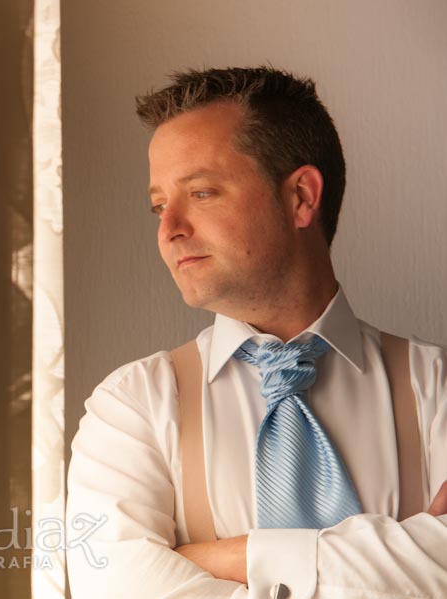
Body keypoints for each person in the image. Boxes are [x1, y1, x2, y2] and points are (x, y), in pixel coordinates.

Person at [65, 66, 447, 599]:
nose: (168, 228)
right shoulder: (133, 408)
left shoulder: (439, 388)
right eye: (158, 205)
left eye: (200, 193)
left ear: (300, 198)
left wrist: (238, 557)